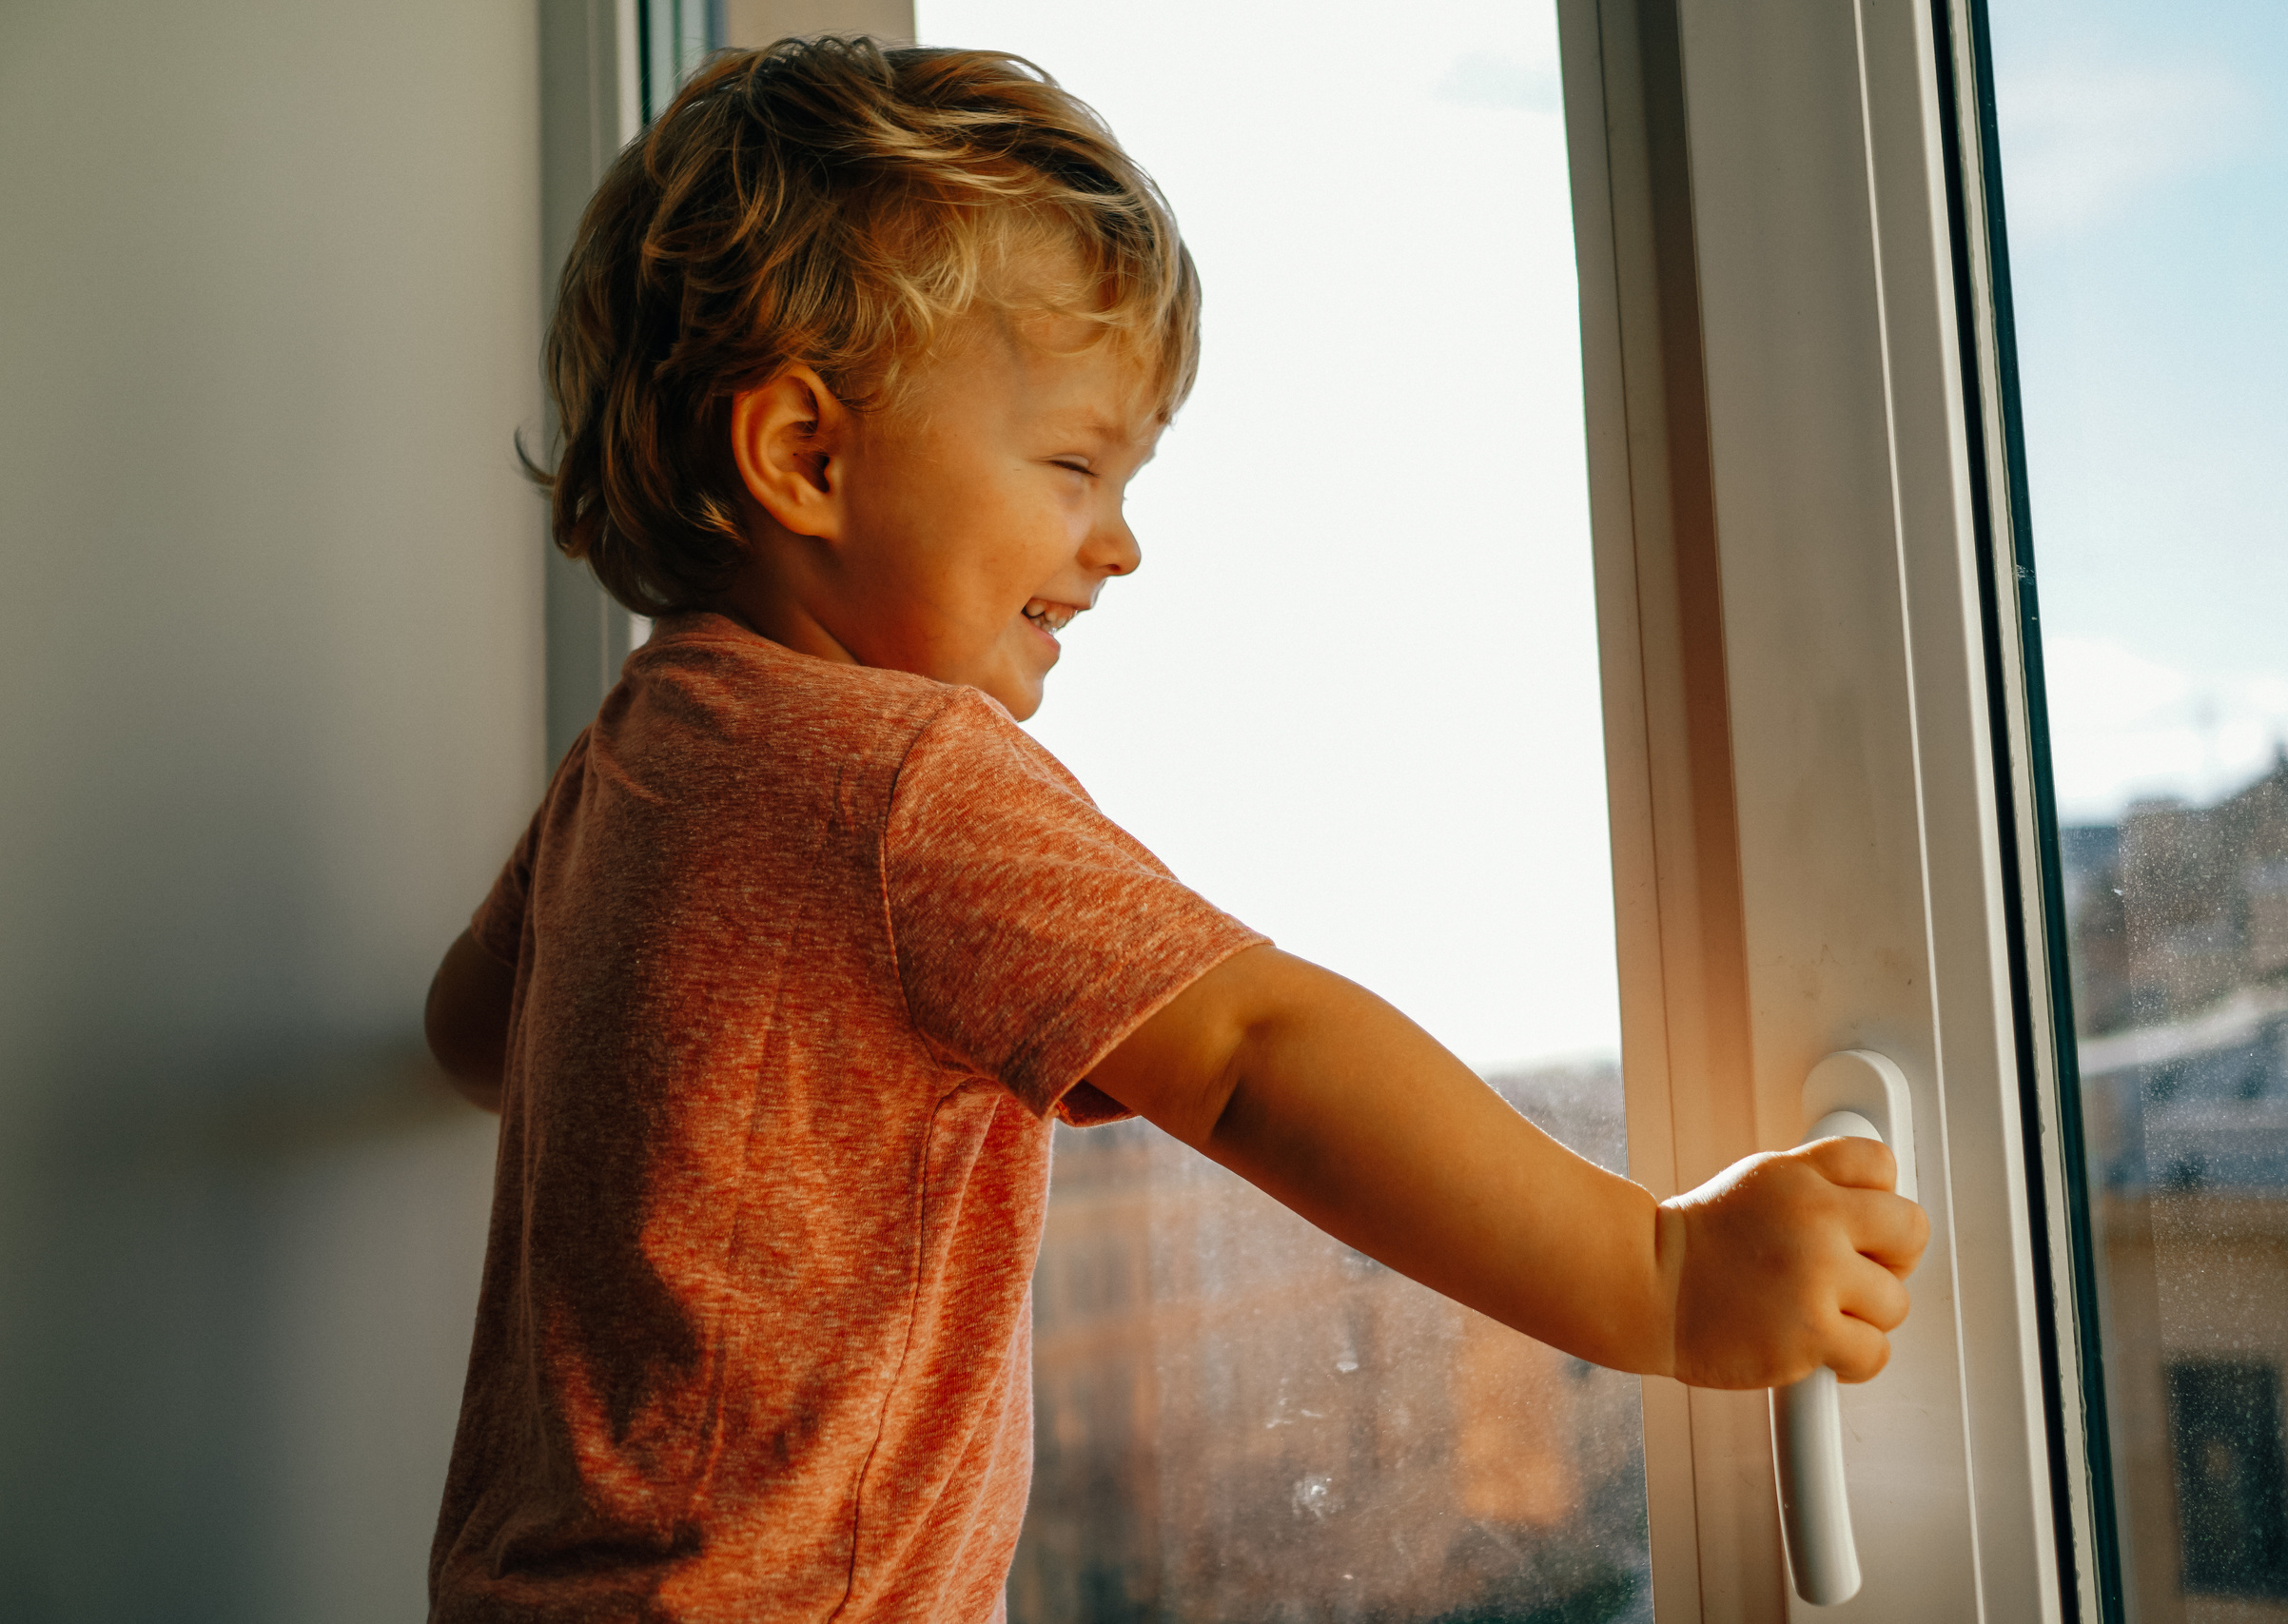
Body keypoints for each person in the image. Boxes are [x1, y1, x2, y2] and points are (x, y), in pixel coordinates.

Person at [420, 34, 1929, 1622]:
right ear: (806, 454)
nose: (1118, 544)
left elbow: (475, 1032)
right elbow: (1252, 1051)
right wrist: (1663, 1279)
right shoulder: (901, 772)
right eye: (1073, 465)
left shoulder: (633, 759)